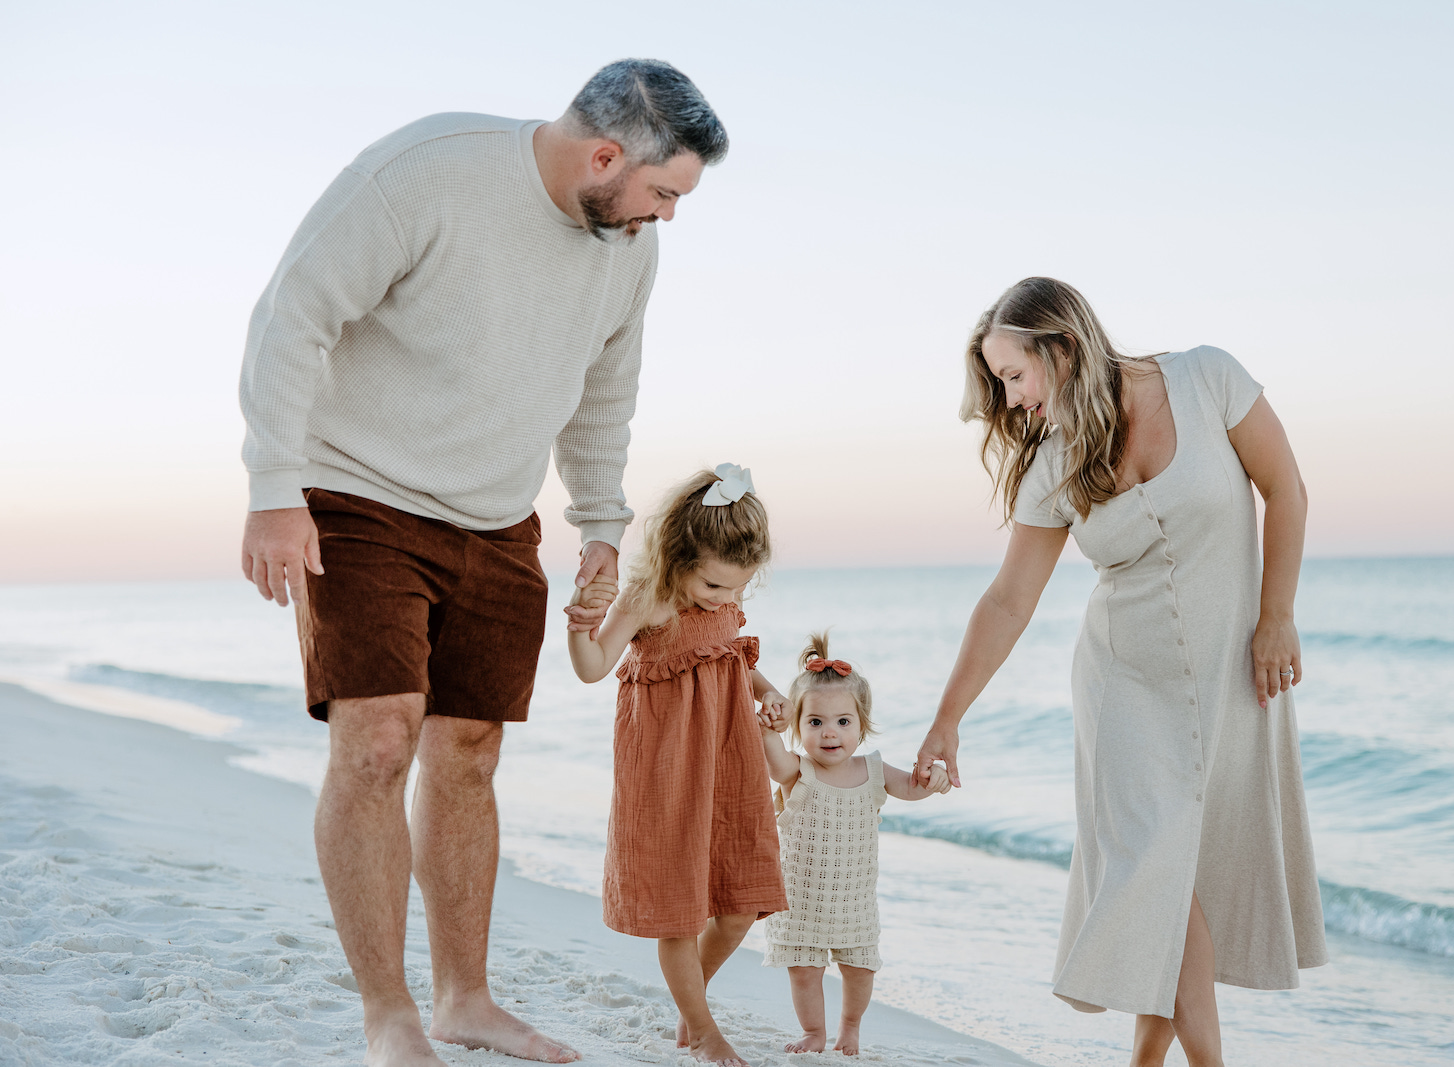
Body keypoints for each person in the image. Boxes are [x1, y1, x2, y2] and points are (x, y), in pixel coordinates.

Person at [236, 59, 727, 1067]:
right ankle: (391, 1016)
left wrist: (599, 517)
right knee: (377, 741)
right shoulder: (429, 171)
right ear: (604, 155)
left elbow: (604, 386)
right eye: (663, 191)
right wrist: (273, 488)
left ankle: (465, 998)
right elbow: (292, 317)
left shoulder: (624, 243)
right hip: (357, 494)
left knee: (468, 755)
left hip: (501, 518)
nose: (667, 215)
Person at [914, 278, 1326, 1067]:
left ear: (1061, 346)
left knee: (1181, 877)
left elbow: (1287, 490)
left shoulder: (1209, 379)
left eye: (1014, 374)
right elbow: (1007, 601)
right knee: (1159, 864)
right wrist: (947, 716)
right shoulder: (1054, 463)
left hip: (1230, 677)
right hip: (1124, 688)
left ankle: (1143, 1061)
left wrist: (1277, 616)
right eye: (1000, 382)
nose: (1011, 398)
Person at [566, 465, 788, 1067]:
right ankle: (704, 1032)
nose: (726, 599)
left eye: (737, 590)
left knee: (743, 900)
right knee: (680, 912)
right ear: (677, 555)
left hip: (728, 763)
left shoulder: (721, 599)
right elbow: (592, 667)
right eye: (715, 587)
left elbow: (733, 657)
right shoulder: (648, 599)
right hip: (665, 773)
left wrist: (767, 691)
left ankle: (694, 1003)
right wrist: (580, 625)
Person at [758, 633, 951, 1057]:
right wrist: (768, 732)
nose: (830, 733)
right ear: (798, 727)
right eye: (815, 722)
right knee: (805, 972)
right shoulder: (798, 771)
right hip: (802, 901)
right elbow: (774, 764)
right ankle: (813, 1031)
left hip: (854, 903)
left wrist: (933, 781)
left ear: (862, 725)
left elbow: (912, 788)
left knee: (860, 969)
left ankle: (850, 1027)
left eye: (843, 722)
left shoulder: (874, 770)